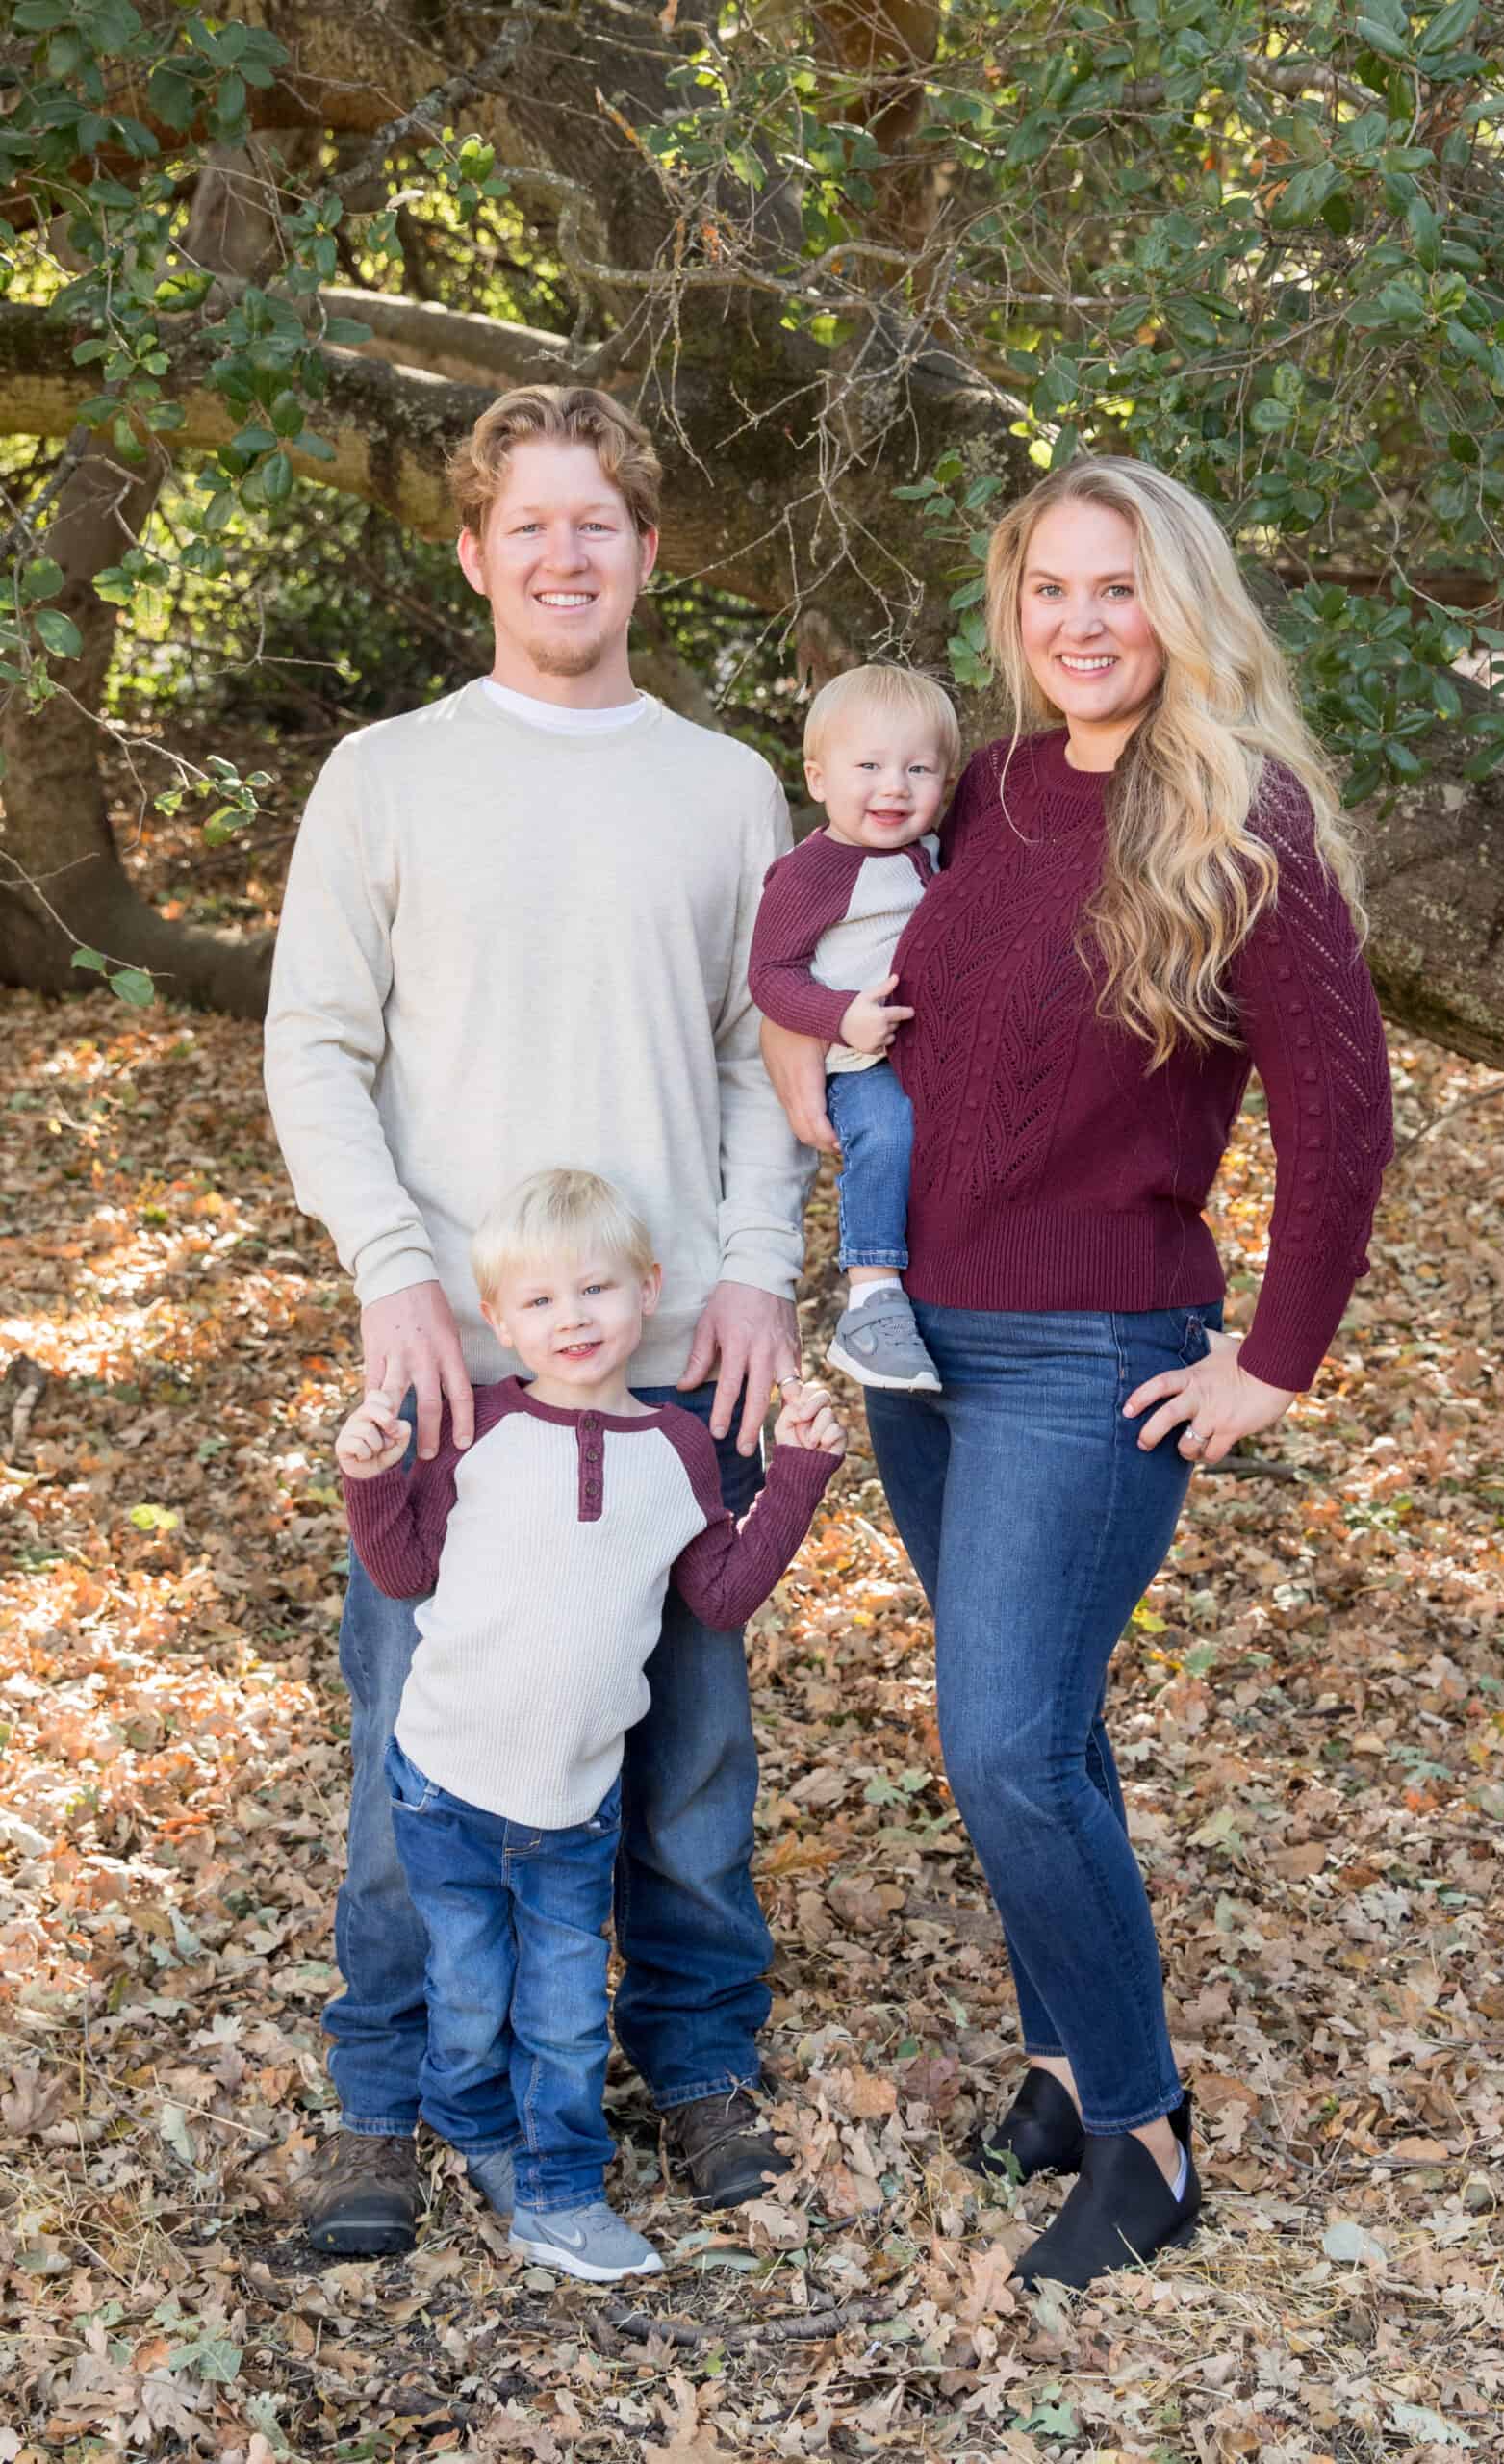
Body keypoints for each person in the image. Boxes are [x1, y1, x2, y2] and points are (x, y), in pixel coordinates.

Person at [760, 456, 1395, 2290]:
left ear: (1176, 602)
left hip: (1092, 1353)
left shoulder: (1237, 818)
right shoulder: (986, 789)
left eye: (1114, 586)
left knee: (1006, 1748)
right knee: (1042, 1727)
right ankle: (1056, 2064)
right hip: (918, 1343)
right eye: (1048, 589)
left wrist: (1273, 1360)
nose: (1080, 621)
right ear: (1011, 611)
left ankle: (1142, 2133)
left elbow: (1339, 1117)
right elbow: (862, 983)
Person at [264, 383, 822, 2257]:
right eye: (530, 524)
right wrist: (386, 1267)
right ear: (472, 551)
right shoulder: (388, 775)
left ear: (650, 551)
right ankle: (382, 2090)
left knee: (683, 1746)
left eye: (599, 523)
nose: (564, 554)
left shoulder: (727, 786)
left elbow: (770, 1058)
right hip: (459, 1366)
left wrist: (757, 1259)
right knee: (415, 1740)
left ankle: (694, 2053)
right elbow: (315, 1048)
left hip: (678, 1362)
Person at [335, 1169, 843, 2282]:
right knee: (470, 2000)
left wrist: (799, 1472)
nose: (571, 1319)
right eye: (539, 1302)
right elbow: (404, 1570)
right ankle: (471, 2124)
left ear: (650, 1290)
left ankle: (560, 2192)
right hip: (445, 1786)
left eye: (597, 1289)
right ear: (497, 1319)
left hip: (573, 1805)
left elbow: (719, 1594)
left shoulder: (677, 1449)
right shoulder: (479, 1436)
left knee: (563, 2013)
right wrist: (370, 1478)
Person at [749, 666, 960, 1396]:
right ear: (817, 777)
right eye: (867, 766)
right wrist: (841, 1017)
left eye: (917, 769)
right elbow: (770, 976)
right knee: (889, 1135)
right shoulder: (813, 872)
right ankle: (870, 1300)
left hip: (938, 1060)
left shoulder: (931, 853)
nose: (893, 787)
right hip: (861, 1060)